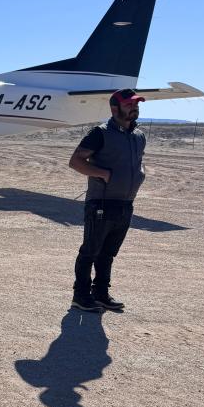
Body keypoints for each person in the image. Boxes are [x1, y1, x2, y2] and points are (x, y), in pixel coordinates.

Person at [68, 88, 147, 312]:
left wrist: (140, 174)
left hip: (125, 204)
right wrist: (104, 174)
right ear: (115, 108)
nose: (135, 107)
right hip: (101, 204)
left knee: (108, 253)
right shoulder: (100, 133)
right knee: (90, 251)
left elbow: (136, 161)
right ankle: (81, 296)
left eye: (136, 104)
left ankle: (101, 293)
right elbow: (76, 161)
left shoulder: (139, 135)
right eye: (129, 104)